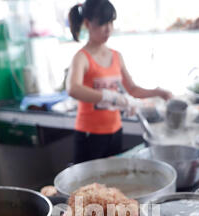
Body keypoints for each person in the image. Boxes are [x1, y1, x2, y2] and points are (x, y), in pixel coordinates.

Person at [66, 0, 172, 164]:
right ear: (87, 23)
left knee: (112, 183)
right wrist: (109, 97)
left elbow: (133, 89)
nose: (108, 29)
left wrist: (159, 92)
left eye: (111, 22)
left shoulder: (116, 56)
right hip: (90, 133)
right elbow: (73, 88)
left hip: (115, 130)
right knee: (88, 186)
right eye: (102, 23)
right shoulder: (81, 57)